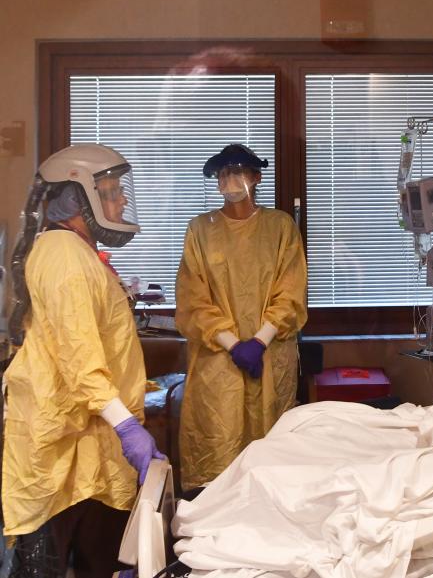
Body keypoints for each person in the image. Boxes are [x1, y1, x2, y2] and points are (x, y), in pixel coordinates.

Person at [2, 144, 165, 577]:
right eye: (112, 190)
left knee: (97, 557)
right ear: (77, 200)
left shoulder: (76, 252)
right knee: (50, 563)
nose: (123, 199)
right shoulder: (65, 259)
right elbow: (79, 359)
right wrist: (127, 425)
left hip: (86, 438)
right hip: (61, 447)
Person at [176, 143, 307, 491]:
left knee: (269, 459)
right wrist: (234, 344)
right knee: (219, 458)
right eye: (223, 173)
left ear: (256, 177)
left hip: (269, 358)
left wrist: (260, 340)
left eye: (237, 172)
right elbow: (193, 299)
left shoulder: (279, 227)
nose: (230, 180)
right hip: (219, 364)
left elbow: (291, 292)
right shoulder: (200, 230)